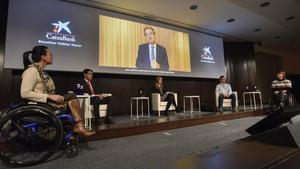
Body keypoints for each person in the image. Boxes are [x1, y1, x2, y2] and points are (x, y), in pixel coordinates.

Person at [21, 46, 95, 137]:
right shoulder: (32, 71)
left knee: (71, 95)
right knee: (71, 98)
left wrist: (55, 96)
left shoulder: (42, 72)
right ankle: (79, 126)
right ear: (43, 57)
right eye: (50, 55)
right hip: (40, 105)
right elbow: (24, 93)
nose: (52, 57)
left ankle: (78, 126)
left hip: (47, 102)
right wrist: (49, 96)